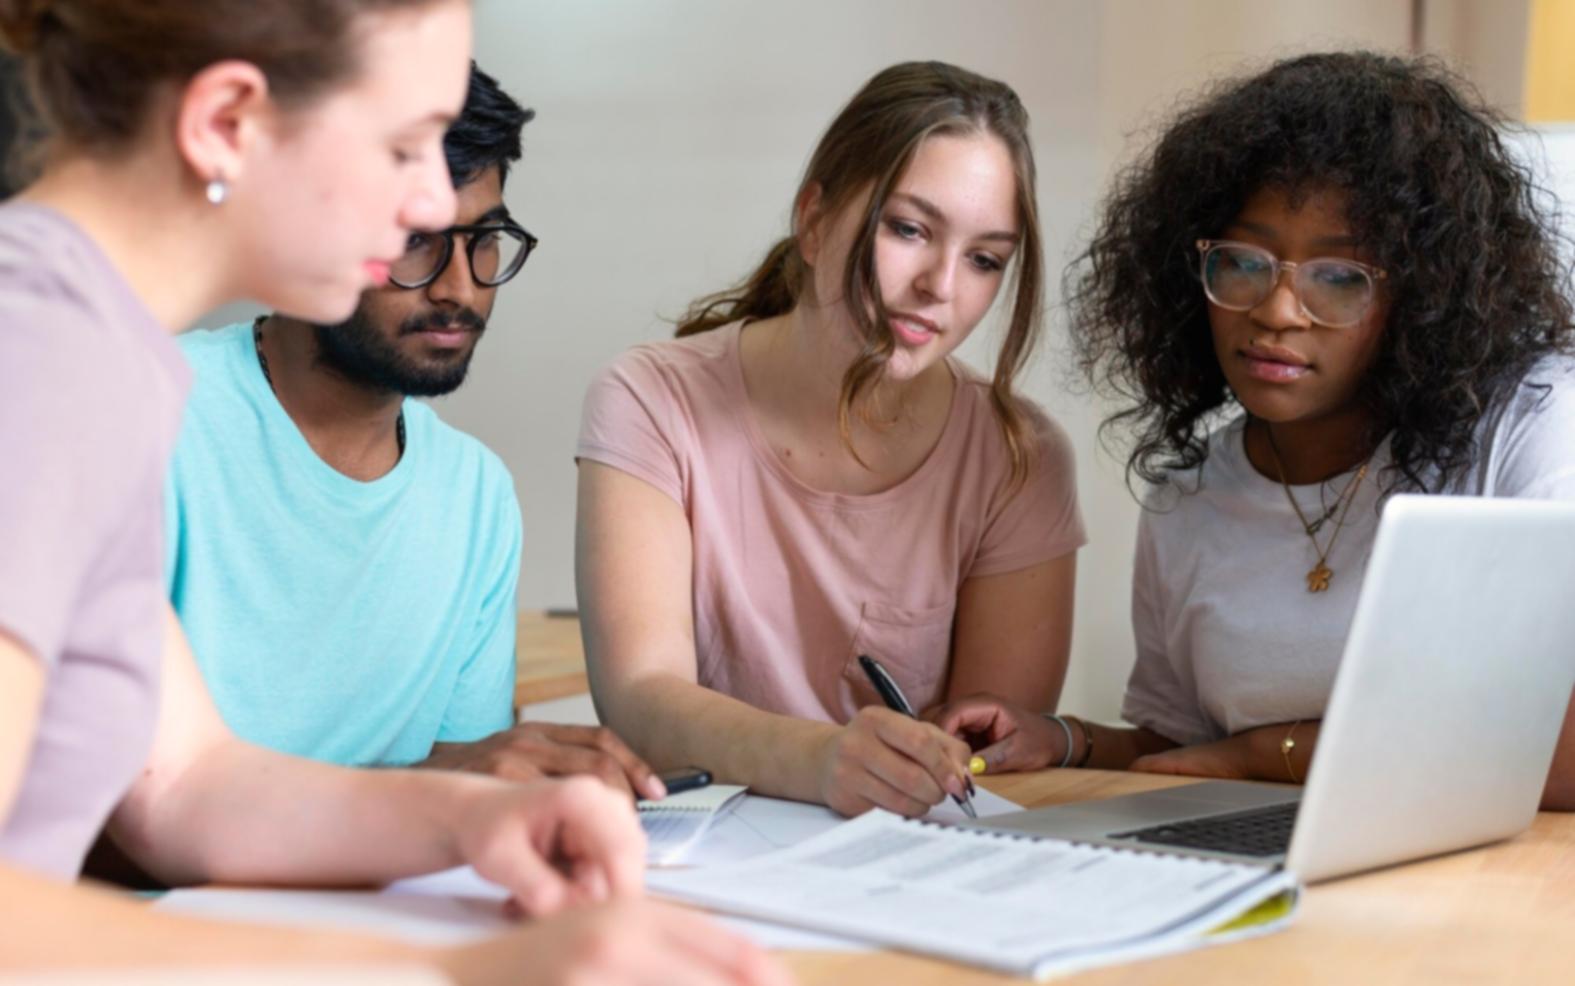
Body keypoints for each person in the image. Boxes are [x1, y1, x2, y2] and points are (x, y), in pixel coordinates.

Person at [0, 2, 784, 983]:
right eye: (406, 144)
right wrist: (467, 972)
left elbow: (183, 785)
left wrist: (477, 812)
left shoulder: (104, 356)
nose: (428, 203)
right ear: (227, 124)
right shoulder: (34, 353)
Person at [931, 52, 1575, 812]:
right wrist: (1063, 737)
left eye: (1339, 277)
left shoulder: (1531, 423)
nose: (1274, 311)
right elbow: (1187, 753)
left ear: (1426, 297)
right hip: (1271, 868)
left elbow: (1556, 762)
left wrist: (1270, 751)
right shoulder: (1191, 498)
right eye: (1242, 262)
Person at [576, 61, 1085, 819]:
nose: (941, 285)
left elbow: (988, 756)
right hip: (703, 860)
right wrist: (821, 759)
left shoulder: (1020, 457)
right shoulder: (652, 400)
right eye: (909, 229)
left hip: (905, 870)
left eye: (984, 259)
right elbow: (640, 701)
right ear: (814, 220)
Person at [168, 61, 661, 799]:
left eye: (484, 240)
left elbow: (461, 791)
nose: (459, 289)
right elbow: (59, 814)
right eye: (414, 239)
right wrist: (429, 786)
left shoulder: (475, 495)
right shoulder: (155, 411)